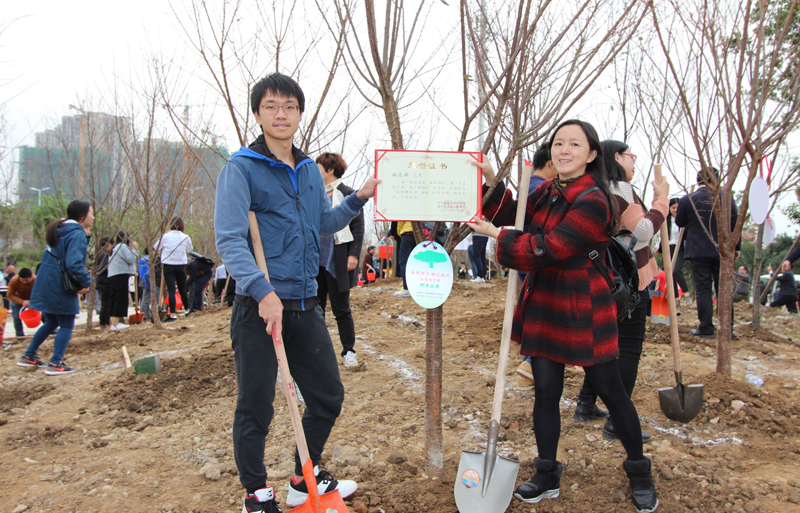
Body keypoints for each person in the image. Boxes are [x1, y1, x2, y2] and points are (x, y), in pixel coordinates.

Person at [468, 120, 658, 513]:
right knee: (546, 393)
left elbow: (550, 247)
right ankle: (547, 471)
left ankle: (639, 470)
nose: (564, 150)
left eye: (575, 144)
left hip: (584, 304)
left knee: (612, 391)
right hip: (545, 302)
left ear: (591, 155)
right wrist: (491, 182)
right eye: (558, 143)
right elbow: (516, 214)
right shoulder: (550, 191)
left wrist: (495, 235)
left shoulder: (594, 199)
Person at [214, 72, 380, 512]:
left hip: (305, 304)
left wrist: (359, 197)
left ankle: (301, 478)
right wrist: (260, 288)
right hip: (260, 305)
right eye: (271, 106)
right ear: (257, 114)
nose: (281, 114)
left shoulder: (309, 172)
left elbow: (321, 225)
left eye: (289, 106)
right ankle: (255, 493)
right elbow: (230, 239)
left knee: (327, 395)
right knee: (256, 405)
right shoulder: (241, 168)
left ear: (300, 114)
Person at [571, 140, 668, 446]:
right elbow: (642, 231)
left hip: (607, 280)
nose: (634, 160)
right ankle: (617, 421)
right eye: (630, 155)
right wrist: (661, 203)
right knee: (627, 348)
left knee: (604, 346)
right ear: (615, 157)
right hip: (630, 281)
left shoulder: (595, 188)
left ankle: (586, 404)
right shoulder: (619, 188)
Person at [18, 200, 93, 375]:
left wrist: (87, 235)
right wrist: (86, 283)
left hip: (46, 280)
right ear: (82, 216)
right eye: (91, 213)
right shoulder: (75, 234)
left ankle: (29, 356)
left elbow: (71, 251)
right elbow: (74, 264)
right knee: (67, 323)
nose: (93, 216)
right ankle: (56, 363)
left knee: (52, 321)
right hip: (59, 284)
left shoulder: (61, 228)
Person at [675, 167, 740, 339]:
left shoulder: (688, 199)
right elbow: (735, 222)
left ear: (698, 180)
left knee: (703, 289)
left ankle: (706, 328)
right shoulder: (725, 198)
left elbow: (680, 221)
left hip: (698, 250)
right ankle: (727, 328)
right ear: (715, 180)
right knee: (724, 289)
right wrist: (737, 247)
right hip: (723, 250)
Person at [315, 152, 366, 369]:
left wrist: (353, 254)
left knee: (341, 309)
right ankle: (315, 352)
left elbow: (358, 227)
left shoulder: (347, 193)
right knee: (315, 309)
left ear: (330, 170)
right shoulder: (313, 194)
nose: (315, 173)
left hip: (337, 260)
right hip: (314, 262)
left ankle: (349, 351)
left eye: (318, 168)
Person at [155, 217, 193, 322]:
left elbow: (156, 247)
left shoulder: (165, 237)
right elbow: (190, 249)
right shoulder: (185, 237)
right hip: (181, 265)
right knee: (182, 289)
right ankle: (187, 309)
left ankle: (172, 314)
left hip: (168, 265)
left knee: (171, 290)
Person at [108, 231, 139, 331]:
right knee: (120, 298)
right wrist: (134, 249)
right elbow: (130, 259)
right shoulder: (122, 247)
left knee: (114, 298)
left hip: (113, 275)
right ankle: (117, 324)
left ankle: (113, 323)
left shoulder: (115, 247)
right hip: (120, 275)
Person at [666, 198, 692, 305]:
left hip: (681, 247)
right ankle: (676, 298)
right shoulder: (666, 220)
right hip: (669, 247)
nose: (676, 210)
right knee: (670, 273)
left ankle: (686, 294)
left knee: (676, 270)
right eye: (673, 208)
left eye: (678, 208)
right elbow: (665, 235)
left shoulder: (684, 219)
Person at [7, 268, 35, 337]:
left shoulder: (37, 280)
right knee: (16, 317)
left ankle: (50, 332)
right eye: (22, 280)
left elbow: (42, 293)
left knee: (43, 315)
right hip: (19, 298)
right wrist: (21, 301)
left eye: (27, 280)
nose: (24, 282)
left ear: (31, 276)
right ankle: (20, 336)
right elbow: (10, 294)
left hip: (33, 298)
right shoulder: (14, 280)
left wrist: (33, 301)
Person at [391, 221, 415, 296]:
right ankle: (415, 287)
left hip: (408, 232)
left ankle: (407, 288)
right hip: (421, 233)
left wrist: (399, 233)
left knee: (404, 260)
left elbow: (400, 221)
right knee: (416, 261)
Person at [138, 250, 152, 321]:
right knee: (146, 298)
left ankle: (146, 313)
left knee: (144, 297)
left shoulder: (141, 260)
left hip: (141, 279)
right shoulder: (147, 261)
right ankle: (145, 314)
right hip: (146, 281)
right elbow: (148, 273)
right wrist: (151, 282)